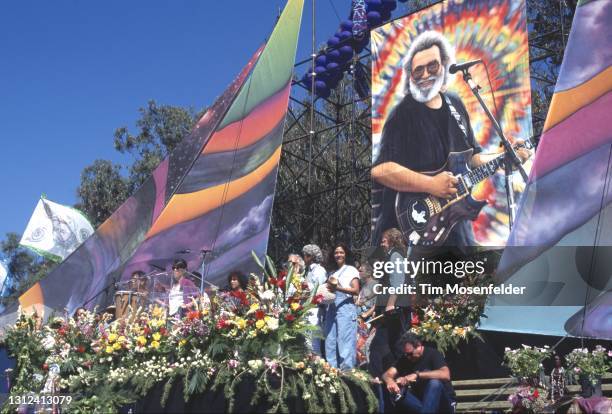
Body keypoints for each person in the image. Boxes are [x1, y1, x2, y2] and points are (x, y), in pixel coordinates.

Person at [371, 30, 530, 248]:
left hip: (456, 223)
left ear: (444, 67)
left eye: (432, 66)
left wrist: (506, 154)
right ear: (410, 77)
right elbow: (380, 169)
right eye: (418, 70)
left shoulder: (455, 104)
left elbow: (473, 158)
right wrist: (431, 184)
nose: (426, 74)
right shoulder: (402, 114)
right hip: (414, 227)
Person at [369, 228, 413, 381]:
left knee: (384, 345)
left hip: (395, 309)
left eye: (384, 241)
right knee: (392, 345)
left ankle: (382, 377)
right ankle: (395, 376)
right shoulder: (390, 256)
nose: (382, 244)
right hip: (390, 308)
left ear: (392, 241)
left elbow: (398, 282)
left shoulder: (395, 256)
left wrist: (390, 304)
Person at [382, 332, 456, 413]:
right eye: (405, 354)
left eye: (410, 354)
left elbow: (445, 374)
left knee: (434, 383)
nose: (408, 357)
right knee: (397, 393)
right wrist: (390, 382)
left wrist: (417, 375)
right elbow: (387, 374)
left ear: (419, 346)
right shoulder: (405, 359)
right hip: (422, 405)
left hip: (444, 405)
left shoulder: (433, 354)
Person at [324, 243, 360, 370]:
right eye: (336, 253)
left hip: (345, 307)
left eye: (341, 252)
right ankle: (331, 372)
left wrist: (337, 287)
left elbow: (356, 290)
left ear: (346, 254)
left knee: (345, 342)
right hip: (331, 307)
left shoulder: (351, 270)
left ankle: (347, 373)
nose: (338, 255)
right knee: (330, 341)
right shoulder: (332, 273)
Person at [302, 244, 328, 357]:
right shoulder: (309, 271)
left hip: (315, 310)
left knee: (313, 342)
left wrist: (305, 287)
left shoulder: (319, 270)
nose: (304, 258)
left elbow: (319, 290)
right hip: (308, 309)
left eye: (305, 256)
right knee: (307, 341)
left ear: (311, 257)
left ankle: (317, 367)